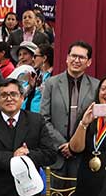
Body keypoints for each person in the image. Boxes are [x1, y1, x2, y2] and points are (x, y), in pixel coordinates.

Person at [40, 41, 99, 173]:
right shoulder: (51, 83)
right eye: (73, 56)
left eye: (82, 57)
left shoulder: (96, 86)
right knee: (54, 194)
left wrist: (75, 146)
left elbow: (97, 121)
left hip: (83, 156)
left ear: (89, 62)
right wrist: (63, 145)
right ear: (67, 58)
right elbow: (43, 118)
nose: (76, 60)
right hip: (56, 155)